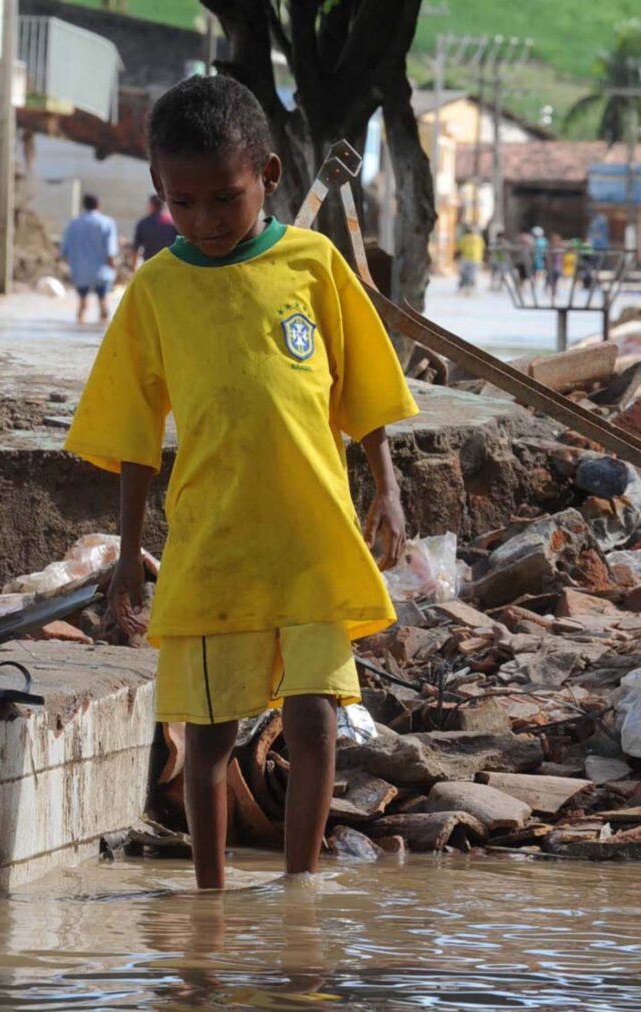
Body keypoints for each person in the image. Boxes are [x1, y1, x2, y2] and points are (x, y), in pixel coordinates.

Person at [64, 75, 418, 890]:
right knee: (210, 730)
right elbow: (132, 438)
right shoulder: (156, 290)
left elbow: (362, 387)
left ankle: (299, 890)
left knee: (314, 714)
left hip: (311, 535)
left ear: (267, 174)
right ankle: (211, 898)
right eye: (181, 203)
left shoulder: (314, 263)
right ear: (160, 195)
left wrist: (387, 488)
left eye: (224, 198)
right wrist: (127, 554)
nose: (205, 221)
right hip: (213, 543)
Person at [60, 193, 118, 323]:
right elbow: (110, 251)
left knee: (82, 307)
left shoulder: (73, 224)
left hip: (80, 272)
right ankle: (101, 336)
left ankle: (79, 330)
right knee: (104, 306)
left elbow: (64, 251)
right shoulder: (107, 223)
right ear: (98, 205)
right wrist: (113, 269)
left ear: (83, 205)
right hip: (101, 272)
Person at [128, 193, 177, 270]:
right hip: (172, 266)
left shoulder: (143, 224)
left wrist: (133, 268)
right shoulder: (174, 222)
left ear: (152, 205)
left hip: (151, 267)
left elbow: (135, 249)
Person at [456, 225, 484, 294]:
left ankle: (462, 286)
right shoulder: (479, 238)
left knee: (463, 273)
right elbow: (483, 247)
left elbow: (460, 247)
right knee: (473, 274)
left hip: (466, 258)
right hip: (476, 259)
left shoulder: (464, 238)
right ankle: (471, 287)